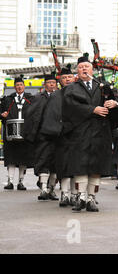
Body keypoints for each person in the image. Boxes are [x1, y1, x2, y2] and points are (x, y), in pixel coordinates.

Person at [62, 56, 118, 212]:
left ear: (92, 70)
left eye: (87, 67)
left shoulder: (102, 86)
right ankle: (81, 197)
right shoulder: (72, 88)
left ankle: (91, 198)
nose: (84, 69)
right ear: (77, 70)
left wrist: (114, 103)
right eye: (81, 67)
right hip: (80, 133)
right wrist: (92, 109)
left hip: (100, 132)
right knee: (80, 165)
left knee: (97, 166)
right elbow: (69, 106)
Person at [39, 65, 76, 206]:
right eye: (64, 77)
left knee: (76, 167)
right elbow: (50, 116)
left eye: (69, 77)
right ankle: (65, 195)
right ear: (60, 80)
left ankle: (75, 195)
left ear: (74, 78)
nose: (67, 79)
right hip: (61, 136)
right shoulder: (55, 96)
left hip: (78, 136)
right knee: (63, 166)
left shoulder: (80, 93)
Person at [23, 73, 58, 201]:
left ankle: (52, 189)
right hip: (43, 136)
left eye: (53, 83)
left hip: (57, 136)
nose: (51, 85)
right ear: (45, 84)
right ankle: (43, 189)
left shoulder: (60, 96)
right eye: (49, 83)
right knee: (43, 162)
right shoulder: (38, 98)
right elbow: (31, 116)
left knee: (55, 164)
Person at [1, 76, 35, 190]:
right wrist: (2, 114)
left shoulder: (30, 99)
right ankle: (10, 181)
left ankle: (21, 182)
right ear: (14, 87)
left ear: (24, 86)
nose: (19, 87)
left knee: (23, 158)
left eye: (21, 85)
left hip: (25, 133)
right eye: (17, 85)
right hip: (11, 134)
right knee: (11, 158)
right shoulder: (8, 99)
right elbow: (1, 112)